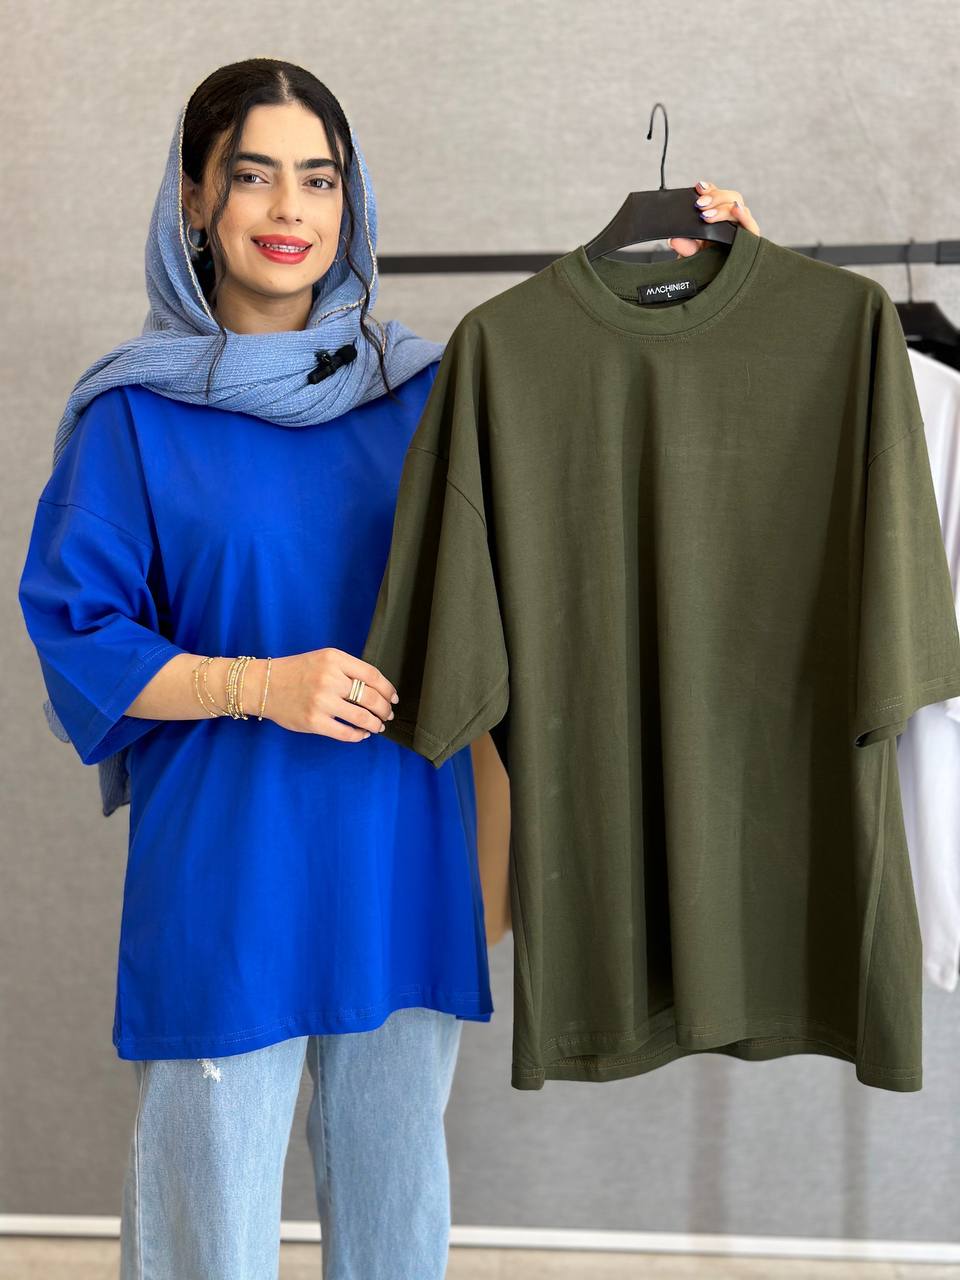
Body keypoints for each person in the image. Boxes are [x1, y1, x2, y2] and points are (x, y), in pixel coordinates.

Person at [17, 56, 759, 1280]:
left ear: (351, 202)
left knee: (395, 1224)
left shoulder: (429, 394)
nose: (290, 210)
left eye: (320, 179)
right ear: (193, 199)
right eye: (252, 176)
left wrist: (717, 275)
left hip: (403, 860)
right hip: (230, 870)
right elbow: (78, 631)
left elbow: (612, 441)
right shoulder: (132, 419)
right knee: (207, 1229)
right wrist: (260, 684)